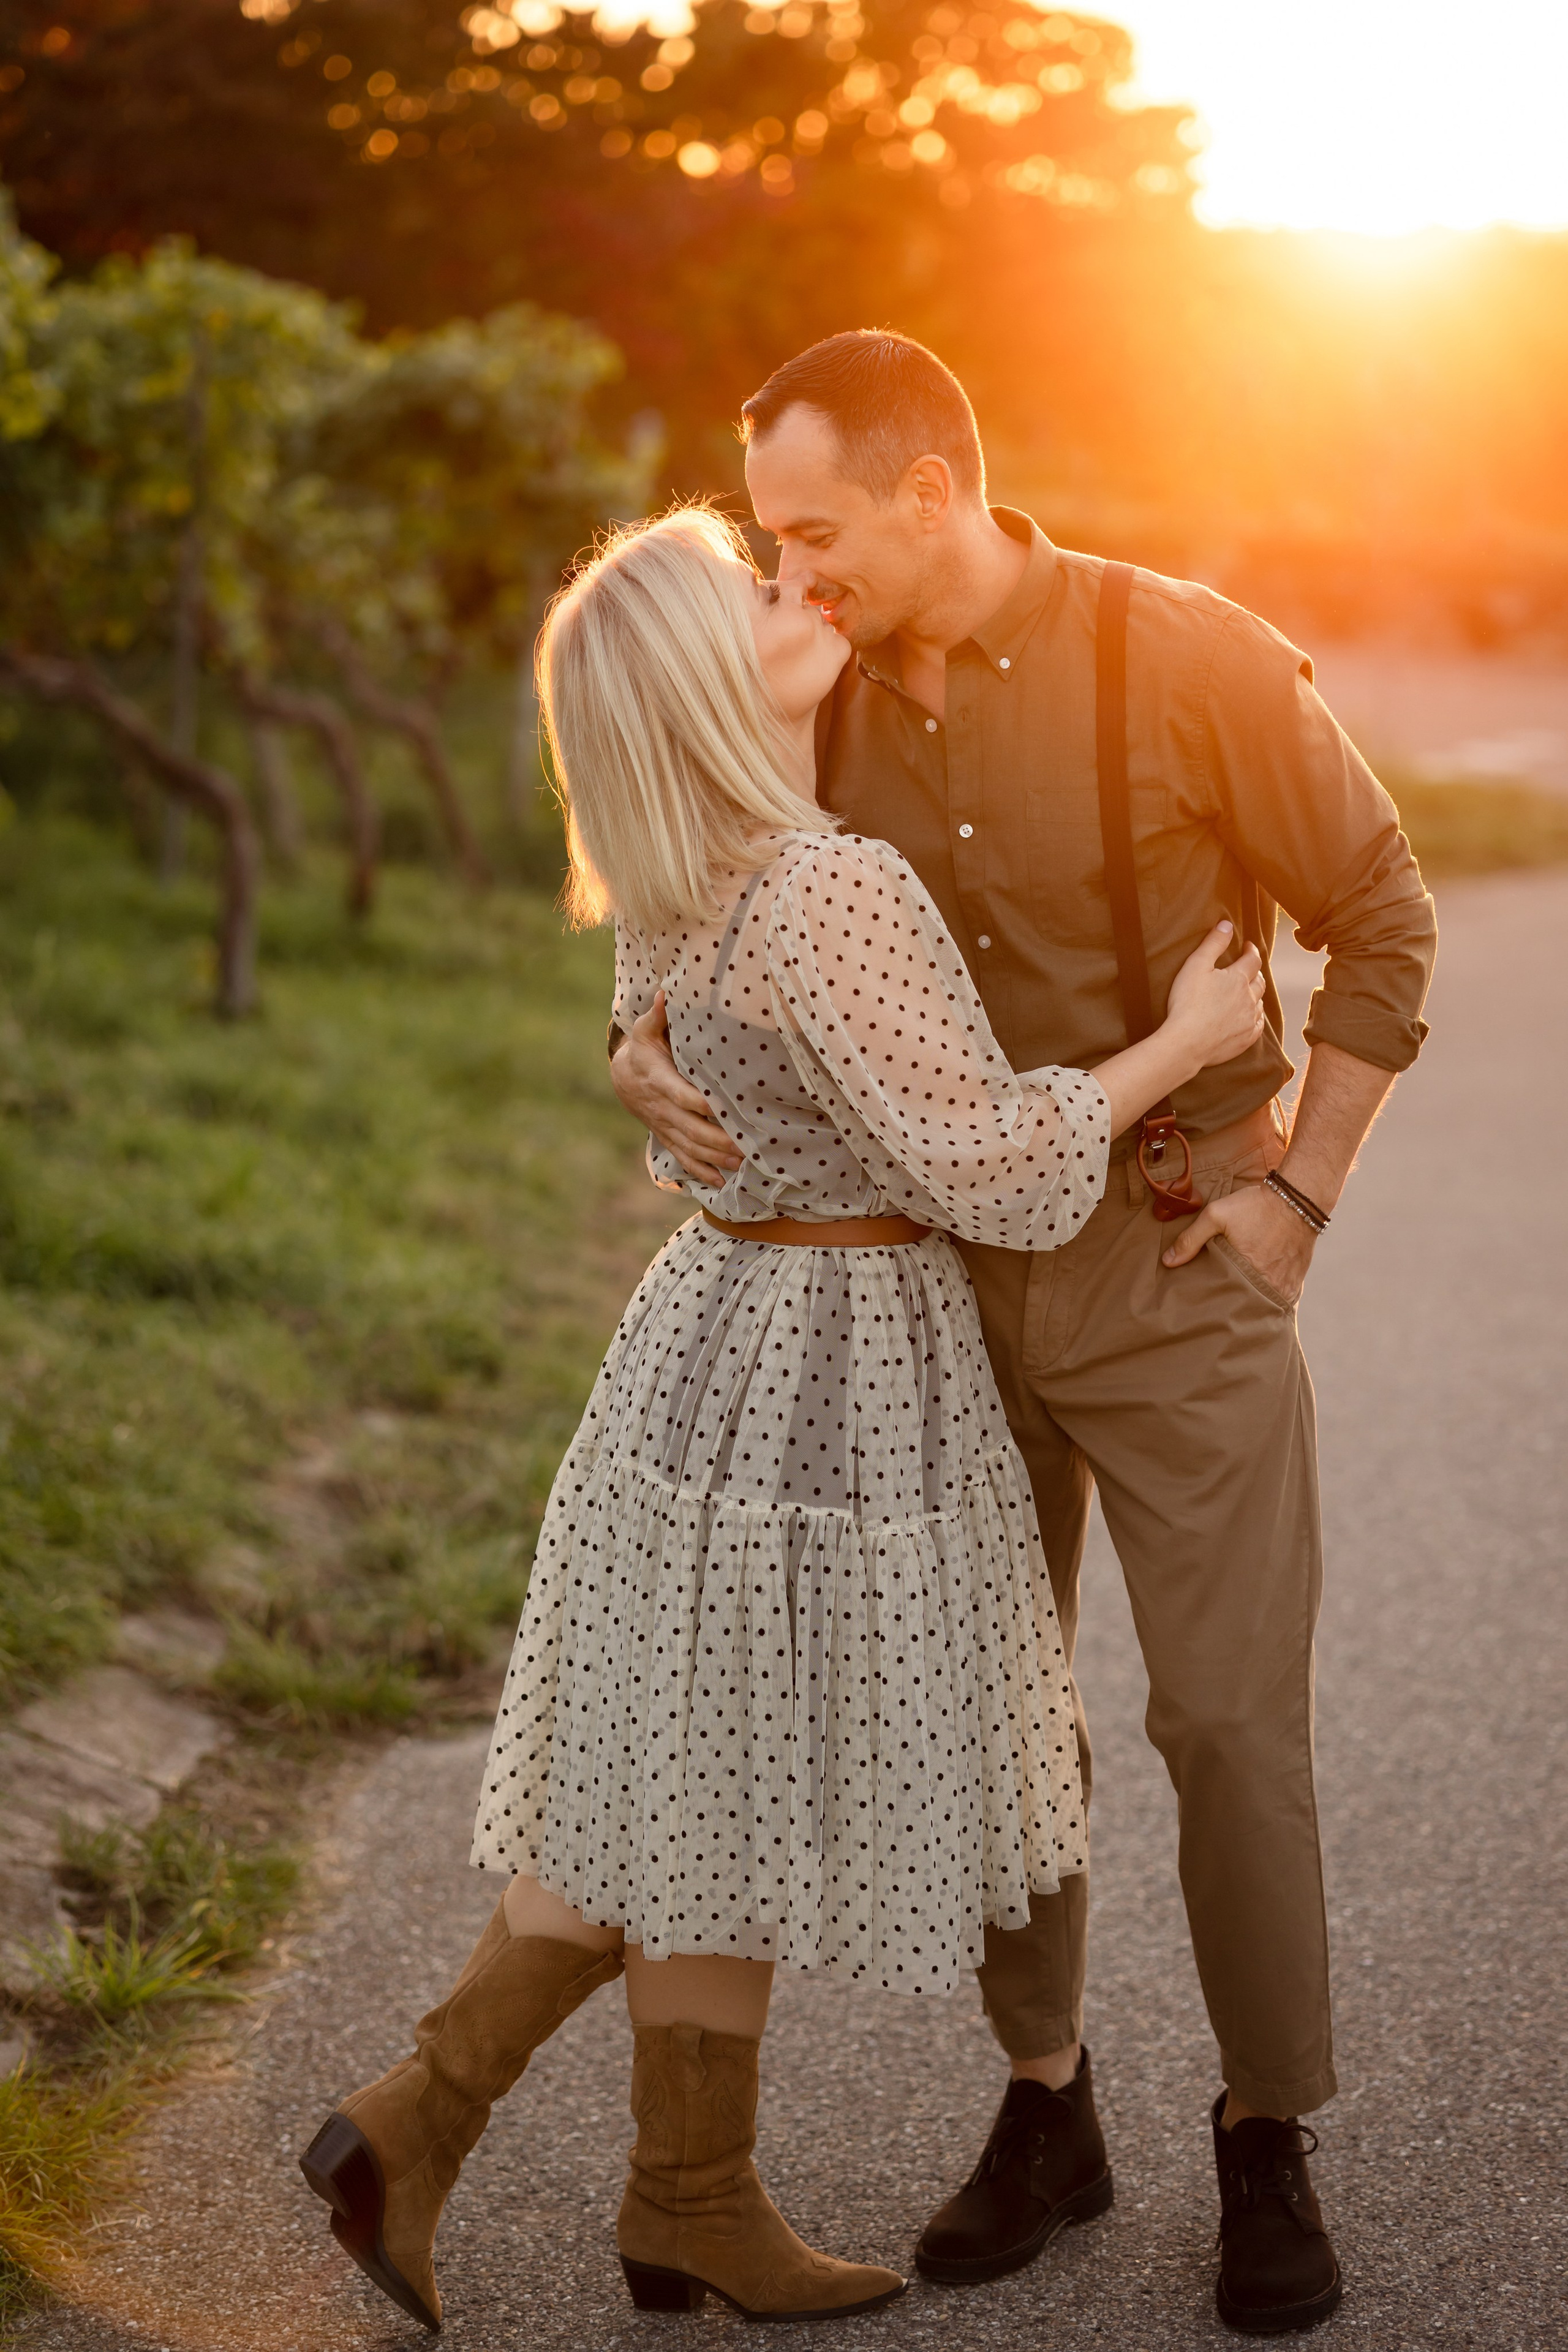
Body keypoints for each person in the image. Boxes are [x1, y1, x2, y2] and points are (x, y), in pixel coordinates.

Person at [299, 503, 1267, 2334]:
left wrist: (630, 1063)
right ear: (698, 680)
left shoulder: (685, 873)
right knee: (718, 1786)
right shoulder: (832, 887)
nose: (790, 584)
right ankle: (461, 2130)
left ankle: (660, 2191)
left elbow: (646, 1030)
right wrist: (1188, 1045)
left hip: (711, 1341)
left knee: (705, 1784)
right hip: (835, 1354)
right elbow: (992, 1167)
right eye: (752, 590)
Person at [611, 333, 1438, 2338]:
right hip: (931, 1289)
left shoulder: (1194, 659)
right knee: (1003, 1726)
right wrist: (630, 1047)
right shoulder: (805, 696)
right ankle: (1049, 2108)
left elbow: (1383, 915)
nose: (789, 580)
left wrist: (1297, 1196)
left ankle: (1267, 2132)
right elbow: (696, 899)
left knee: (1228, 1724)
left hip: (1174, 1265)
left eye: (817, 534)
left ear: (932, 490)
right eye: (769, 543)